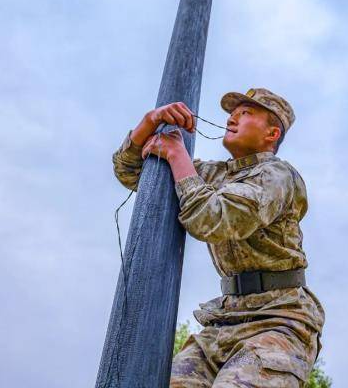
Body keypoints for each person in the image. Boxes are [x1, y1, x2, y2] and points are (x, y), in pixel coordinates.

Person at [112, 88, 325, 387]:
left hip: (278, 322)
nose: (232, 117)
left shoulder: (278, 175)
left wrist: (176, 153)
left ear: (272, 133)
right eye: (232, 112)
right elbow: (132, 172)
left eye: (246, 113)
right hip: (224, 320)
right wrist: (151, 121)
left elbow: (212, 219)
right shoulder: (214, 174)